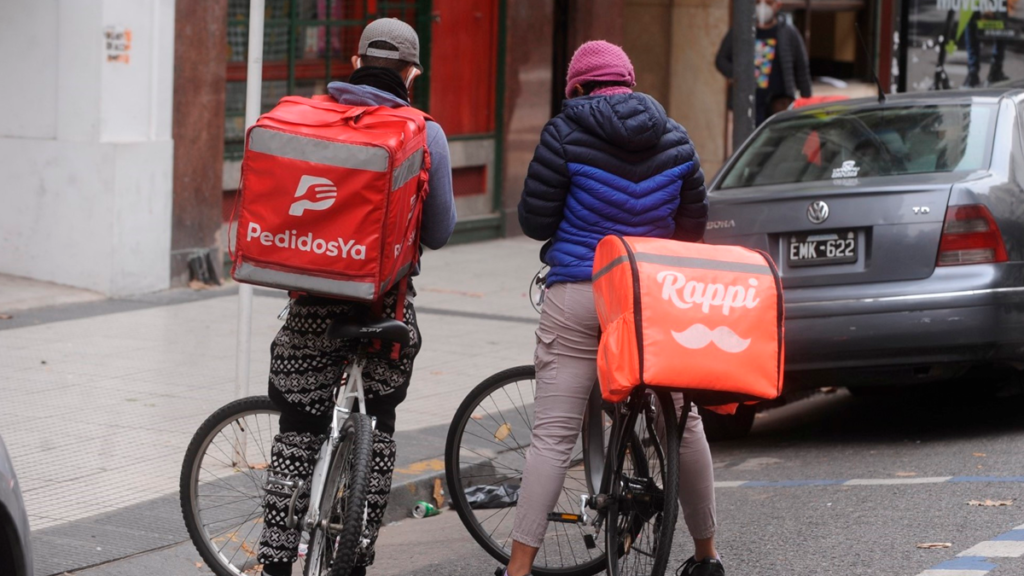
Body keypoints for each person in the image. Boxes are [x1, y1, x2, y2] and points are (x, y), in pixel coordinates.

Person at [507, 41, 724, 576]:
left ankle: (518, 570)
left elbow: (535, 221)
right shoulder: (675, 136)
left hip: (581, 291)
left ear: (579, 88)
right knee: (683, 423)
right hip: (651, 298)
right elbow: (693, 228)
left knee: (553, 436)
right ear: (629, 83)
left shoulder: (564, 132)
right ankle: (707, 556)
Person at [256, 18, 456, 576]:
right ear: (411, 73)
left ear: (355, 64)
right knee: (379, 427)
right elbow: (439, 232)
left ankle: (275, 563)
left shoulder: (310, 120)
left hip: (311, 305)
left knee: (297, 429)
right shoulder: (425, 133)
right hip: (384, 309)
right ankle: (355, 557)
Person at [716, 0, 812, 126]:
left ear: (778, 5)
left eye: (768, 2)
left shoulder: (789, 32)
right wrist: (739, 74)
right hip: (748, 103)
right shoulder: (740, 31)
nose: (762, 7)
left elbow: (802, 70)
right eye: (757, 2)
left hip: (780, 104)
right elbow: (721, 60)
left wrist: (807, 104)